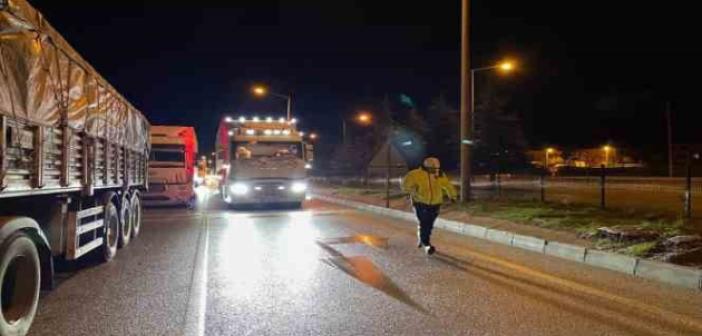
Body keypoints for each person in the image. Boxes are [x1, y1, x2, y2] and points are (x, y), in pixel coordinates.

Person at [401, 157, 458, 255]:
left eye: (437, 168)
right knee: (424, 222)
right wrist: (413, 192)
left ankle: (422, 238)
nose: (435, 171)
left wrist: (452, 196)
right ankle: (427, 245)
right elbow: (405, 186)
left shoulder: (439, 174)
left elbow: (447, 185)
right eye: (433, 169)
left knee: (429, 224)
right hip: (420, 203)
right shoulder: (415, 174)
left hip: (435, 203)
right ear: (426, 167)